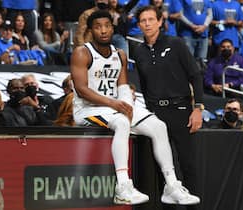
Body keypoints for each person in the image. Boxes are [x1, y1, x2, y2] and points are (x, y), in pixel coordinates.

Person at [70, 10, 200, 205]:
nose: (103, 30)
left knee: (158, 126)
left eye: (107, 26)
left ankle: (171, 186)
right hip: (88, 110)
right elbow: (81, 90)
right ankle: (123, 187)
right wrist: (116, 105)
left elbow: (123, 86)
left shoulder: (120, 54)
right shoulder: (82, 52)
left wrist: (126, 105)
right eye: (98, 27)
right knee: (122, 122)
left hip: (114, 107)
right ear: (91, 30)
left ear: (113, 28)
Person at [133, 5, 204, 209]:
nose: (147, 24)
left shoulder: (176, 43)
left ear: (160, 21)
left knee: (187, 164)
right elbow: (144, 86)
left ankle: (194, 207)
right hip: (156, 114)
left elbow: (196, 75)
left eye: (150, 19)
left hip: (181, 110)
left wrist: (197, 108)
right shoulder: (138, 52)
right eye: (143, 21)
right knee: (162, 166)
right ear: (138, 25)